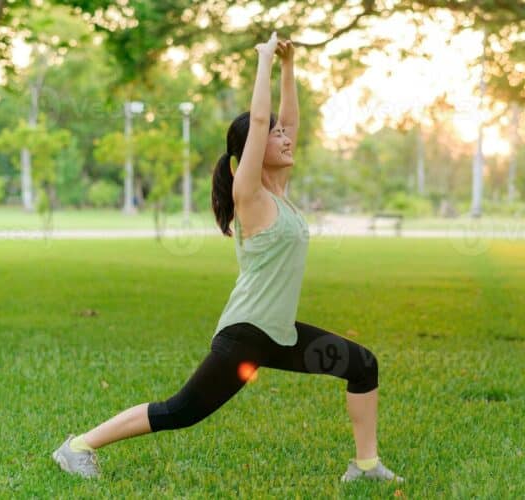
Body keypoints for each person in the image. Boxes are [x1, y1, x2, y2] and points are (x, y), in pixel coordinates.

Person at [51, 32, 403, 484]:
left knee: (362, 364)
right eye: (274, 135)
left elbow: (286, 122)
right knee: (181, 411)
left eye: (283, 132)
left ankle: (366, 467)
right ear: (249, 154)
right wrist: (262, 62)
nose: (284, 137)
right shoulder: (250, 196)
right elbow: (259, 122)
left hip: (280, 334)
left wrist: (290, 67)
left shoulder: (283, 196)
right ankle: (77, 446)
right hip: (245, 335)